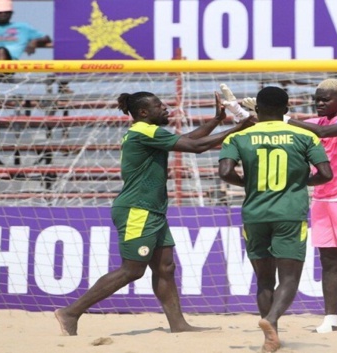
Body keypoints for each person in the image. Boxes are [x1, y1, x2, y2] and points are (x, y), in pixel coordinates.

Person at [55, 91, 254, 336]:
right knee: (132, 270)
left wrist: (216, 120)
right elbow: (194, 147)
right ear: (143, 112)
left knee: (165, 267)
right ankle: (71, 312)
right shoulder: (144, 132)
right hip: (137, 210)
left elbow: (187, 139)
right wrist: (240, 127)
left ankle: (179, 325)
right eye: (159, 106)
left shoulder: (147, 132)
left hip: (153, 210)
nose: (166, 108)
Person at [224, 79, 337, 334]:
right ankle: (331, 319)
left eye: (326, 99)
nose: (320, 103)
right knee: (328, 259)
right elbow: (273, 128)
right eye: (317, 99)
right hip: (322, 196)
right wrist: (241, 112)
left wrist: (282, 117)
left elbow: (319, 132)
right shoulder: (315, 123)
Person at [218, 86, 333, 352]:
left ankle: (272, 336)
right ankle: (270, 320)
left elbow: (225, 172)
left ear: (256, 109)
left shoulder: (239, 137)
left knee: (264, 280)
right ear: (286, 110)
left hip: (255, 214)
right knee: (290, 278)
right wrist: (299, 181)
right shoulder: (304, 136)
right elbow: (326, 174)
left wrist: (248, 184)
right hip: (289, 213)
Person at [0, 0, 67, 94]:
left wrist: (34, 41)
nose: (3, 14)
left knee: (1, 50)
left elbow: (46, 38)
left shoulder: (23, 27)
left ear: (11, 13)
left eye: (6, 12)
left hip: (7, 66)